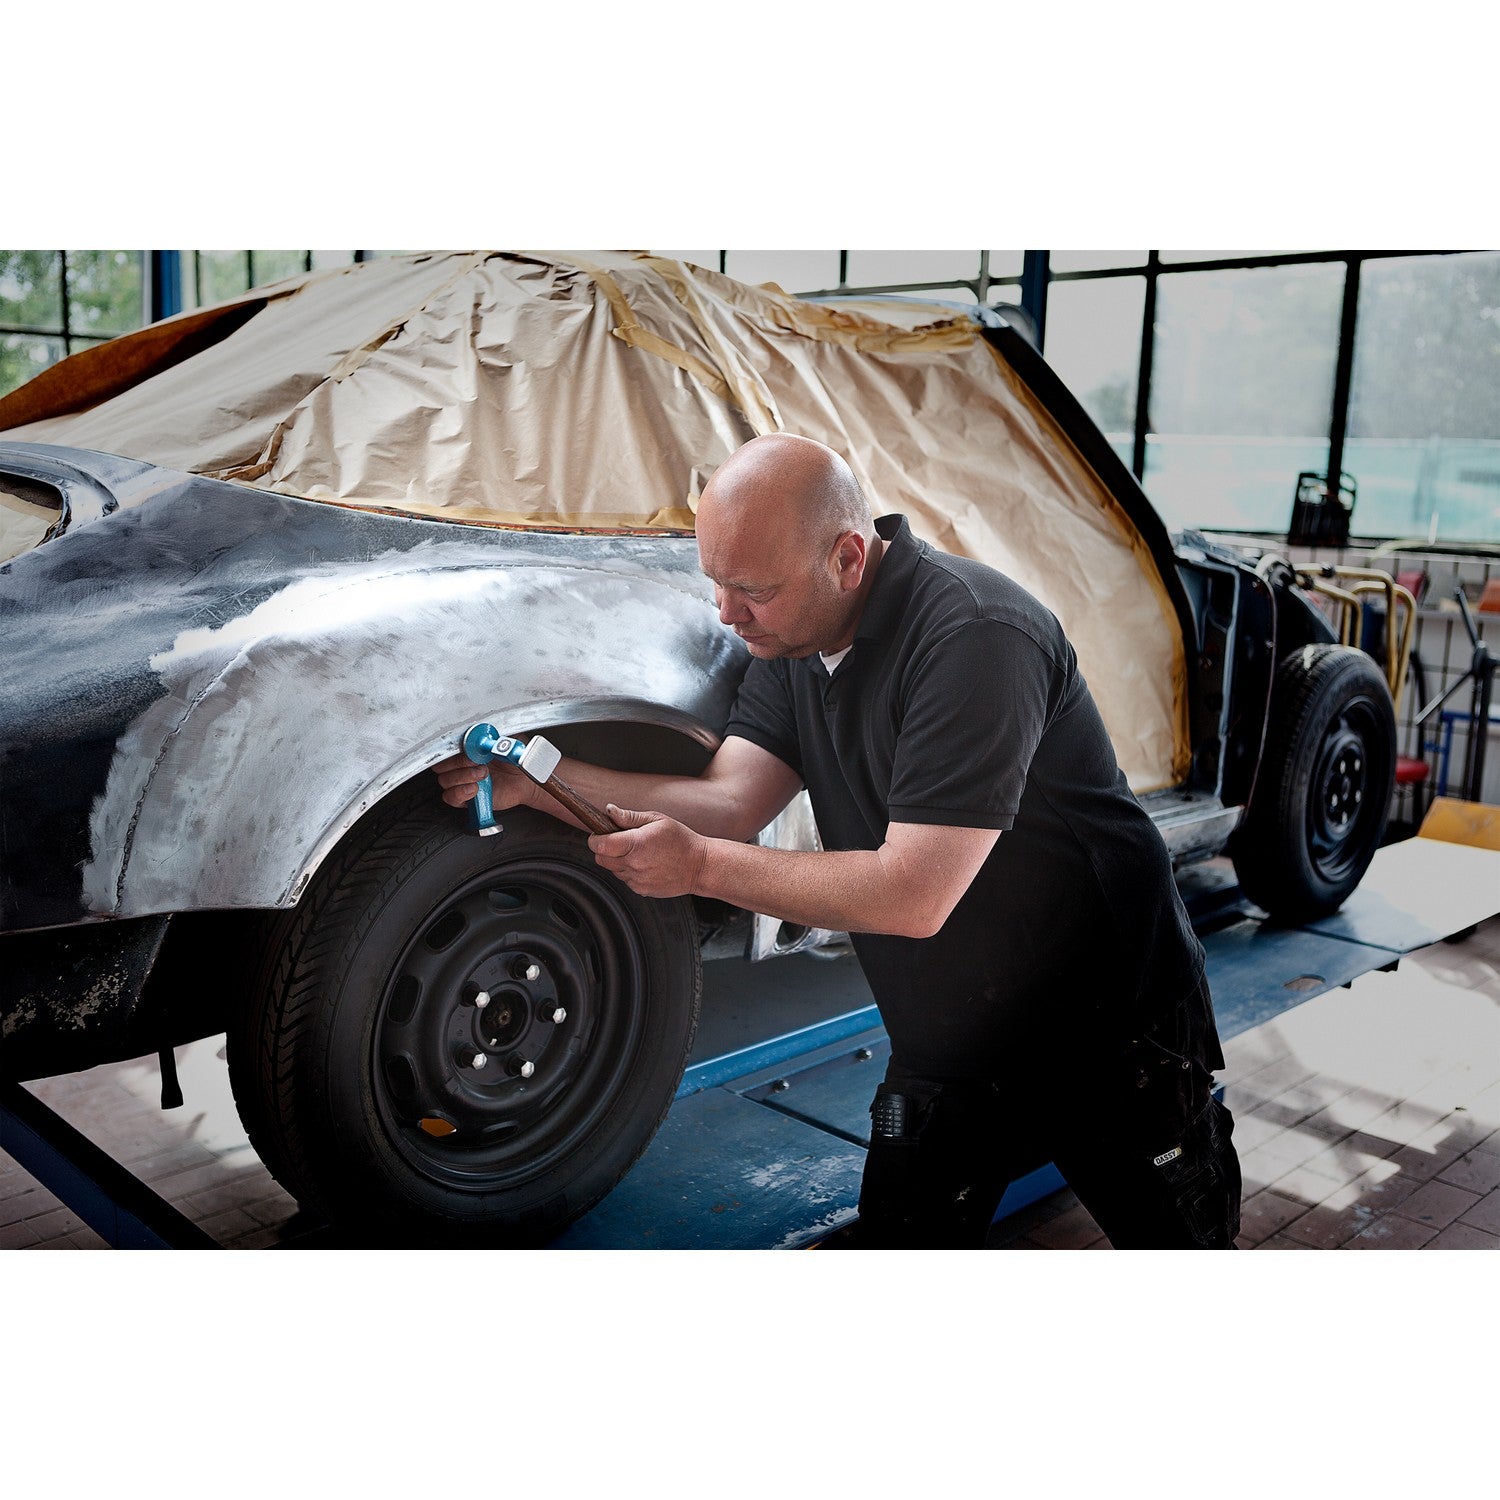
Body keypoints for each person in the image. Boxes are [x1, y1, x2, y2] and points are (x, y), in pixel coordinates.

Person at [435, 433, 1242, 1249]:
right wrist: (541, 782)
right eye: (716, 582)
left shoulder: (976, 638)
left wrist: (700, 867)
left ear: (848, 559)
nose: (726, 614)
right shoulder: (797, 640)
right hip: (951, 1027)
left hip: (1105, 1025)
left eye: (752, 590)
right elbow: (727, 802)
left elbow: (911, 894)